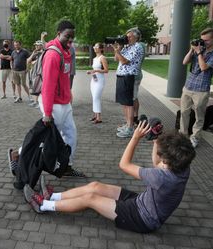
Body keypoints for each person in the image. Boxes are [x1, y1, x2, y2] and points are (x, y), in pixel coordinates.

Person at [24, 122, 196, 234]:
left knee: (90, 199)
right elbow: (157, 162)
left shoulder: (162, 178)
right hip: (141, 201)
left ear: (167, 161)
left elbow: (124, 164)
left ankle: (44, 205)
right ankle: (52, 196)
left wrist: (135, 138)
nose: (160, 159)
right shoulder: (182, 167)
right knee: (95, 186)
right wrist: (157, 142)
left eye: (163, 156)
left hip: (143, 219)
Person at [40, 20, 85, 177]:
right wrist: (47, 112)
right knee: (46, 140)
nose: (71, 40)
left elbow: (64, 78)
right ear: (58, 34)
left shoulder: (65, 51)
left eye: (73, 37)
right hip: (54, 106)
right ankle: (18, 155)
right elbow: (47, 87)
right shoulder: (53, 54)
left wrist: (69, 94)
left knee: (71, 135)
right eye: (67, 36)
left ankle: (66, 166)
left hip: (64, 103)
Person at [180, 28, 213, 148]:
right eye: (202, 39)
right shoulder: (200, 48)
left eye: (206, 40)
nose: (203, 42)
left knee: (199, 115)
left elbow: (204, 68)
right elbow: (184, 62)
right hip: (189, 86)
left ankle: (195, 137)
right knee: (184, 112)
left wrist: (198, 53)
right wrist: (191, 49)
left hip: (202, 88)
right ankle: (182, 135)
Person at [113, 28, 144, 138]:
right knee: (124, 102)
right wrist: (118, 49)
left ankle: (130, 128)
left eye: (129, 36)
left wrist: (118, 52)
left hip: (129, 76)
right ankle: (127, 124)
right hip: (122, 76)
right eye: (127, 36)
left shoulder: (138, 46)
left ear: (136, 37)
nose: (127, 38)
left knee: (129, 103)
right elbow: (117, 59)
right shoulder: (127, 47)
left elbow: (125, 61)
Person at [87, 43, 108, 124]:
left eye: (96, 46)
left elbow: (106, 70)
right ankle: (95, 115)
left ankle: (99, 117)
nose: (94, 48)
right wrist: (92, 72)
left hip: (100, 80)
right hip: (94, 80)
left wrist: (96, 71)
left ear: (101, 49)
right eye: (94, 46)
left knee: (96, 97)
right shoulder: (95, 58)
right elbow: (94, 69)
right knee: (94, 97)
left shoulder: (102, 58)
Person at [27, 40, 44, 108]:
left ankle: (41, 103)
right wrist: (33, 54)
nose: (36, 46)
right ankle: (35, 102)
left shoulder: (43, 53)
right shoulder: (35, 53)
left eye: (37, 45)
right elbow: (28, 61)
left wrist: (36, 61)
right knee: (35, 88)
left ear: (41, 46)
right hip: (34, 73)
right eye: (35, 45)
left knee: (40, 88)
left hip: (40, 73)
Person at [133, 41, 146, 125]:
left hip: (135, 76)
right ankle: (134, 118)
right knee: (133, 97)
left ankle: (134, 118)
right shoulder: (138, 45)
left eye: (129, 36)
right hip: (134, 75)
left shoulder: (140, 45)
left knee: (133, 97)